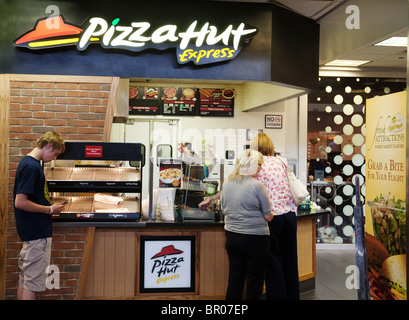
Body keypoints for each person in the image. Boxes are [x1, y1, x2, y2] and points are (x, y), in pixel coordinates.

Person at [13, 131, 66, 300]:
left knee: (26, 279)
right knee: (32, 284)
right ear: (48, 145)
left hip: (30, 233)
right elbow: (20, 202)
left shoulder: (29, 163)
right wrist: (49, 209)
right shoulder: (31, 167)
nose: (54, 158)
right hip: (36, 234)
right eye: (55, 153)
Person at [251, 132, 300, 300]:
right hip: (290, 216)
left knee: (273, 263)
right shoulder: (282, 162)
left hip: (272, 218)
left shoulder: (257, 165)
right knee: (290, 260)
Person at [220, 149, 274, 300]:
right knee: (254, 281)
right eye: (259, 165)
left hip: (232, 237)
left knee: (235, 278)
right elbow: (268, 217)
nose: (261, 168)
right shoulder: (257, 186)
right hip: (255, 239)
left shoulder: (227, 183)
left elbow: (224, 211)